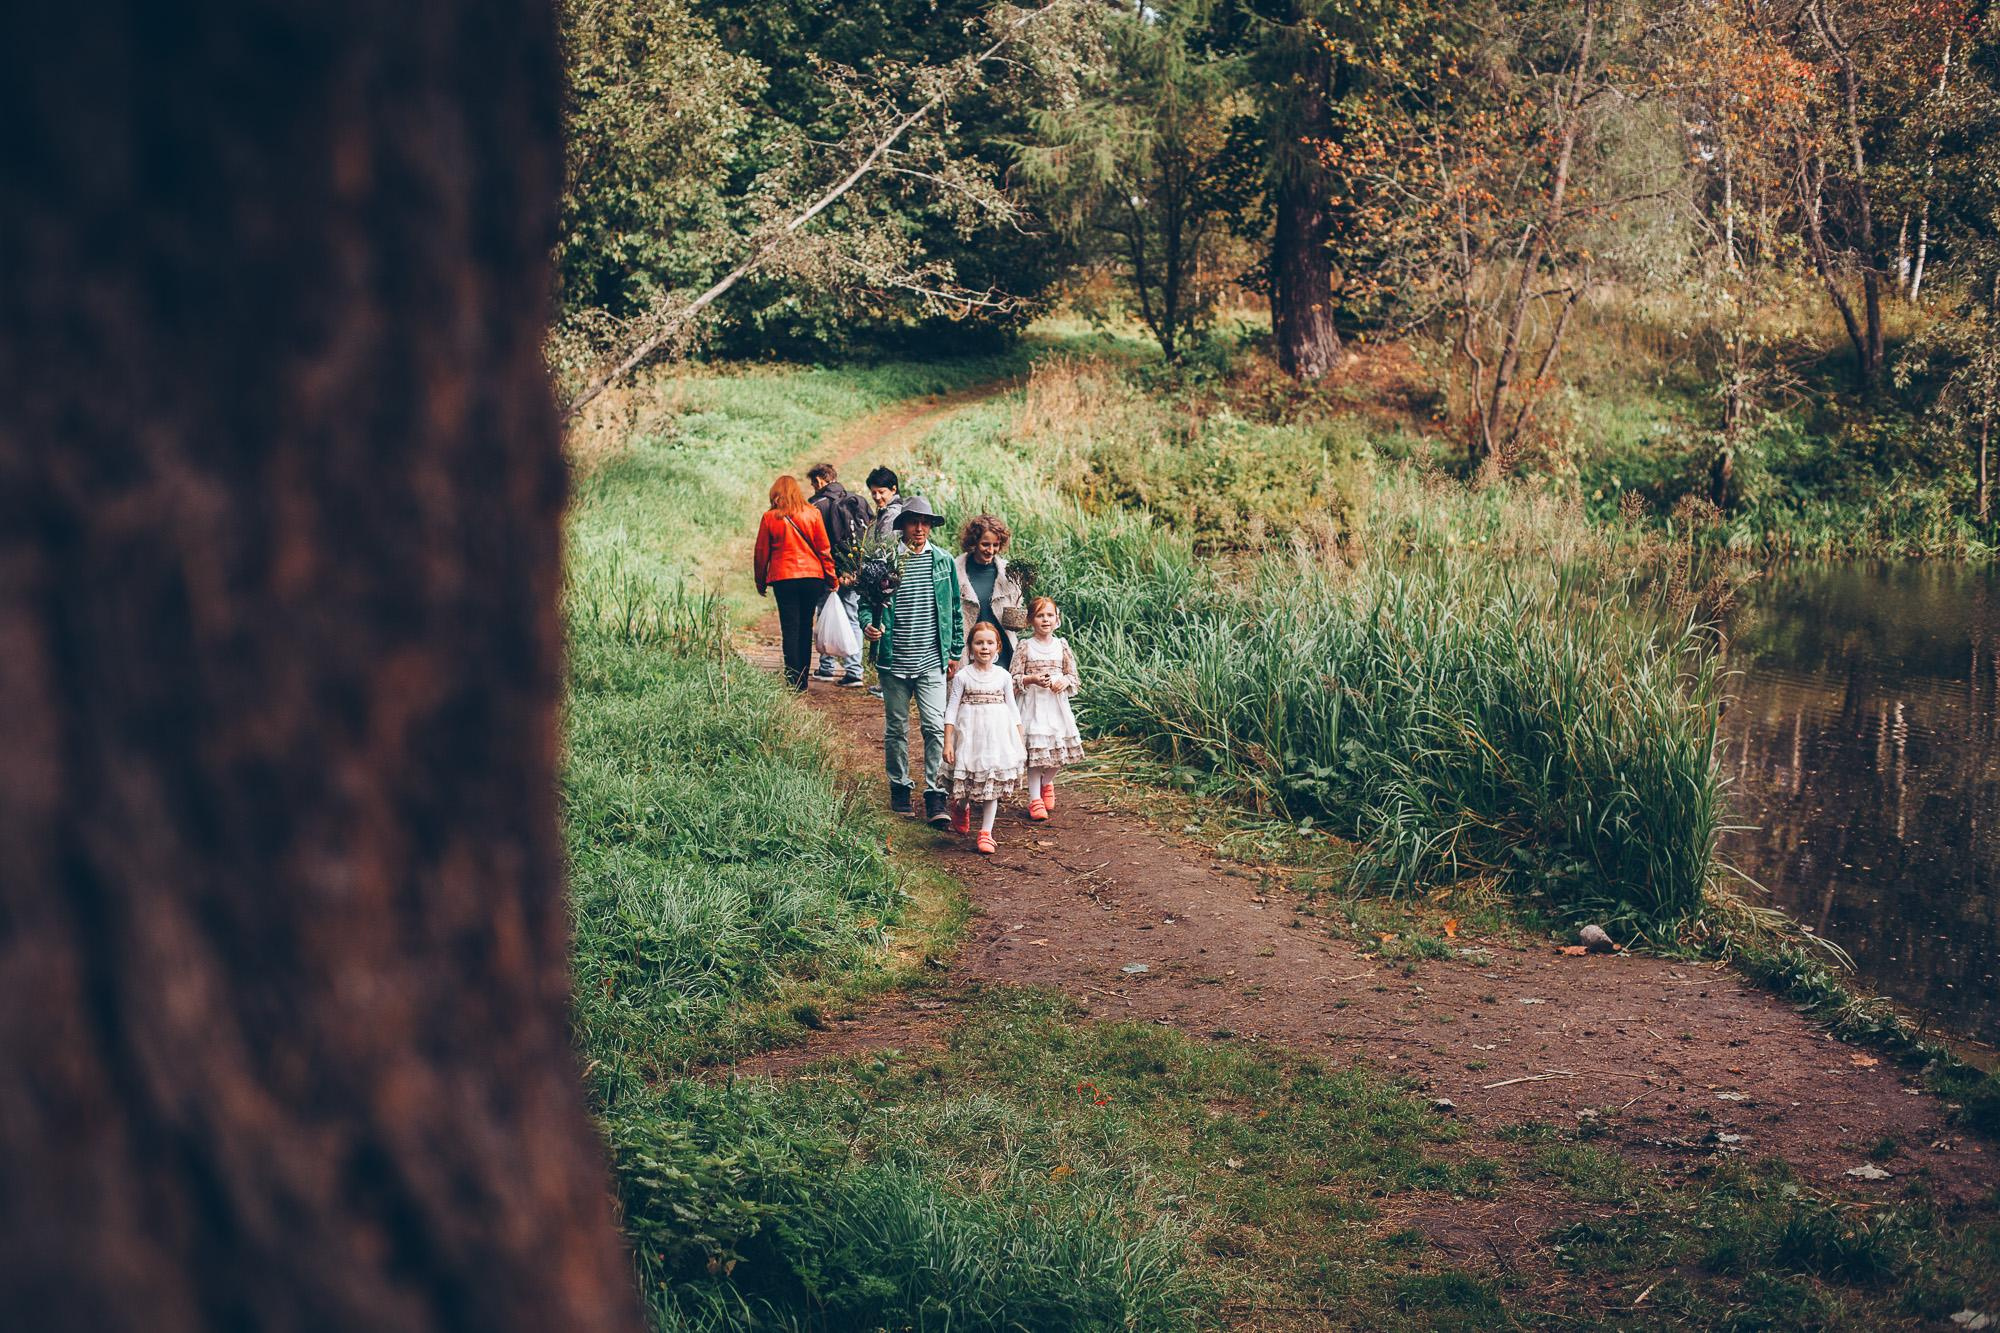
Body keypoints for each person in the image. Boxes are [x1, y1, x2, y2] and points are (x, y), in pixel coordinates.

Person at [858, 495, 962, 825]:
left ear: (930, 526)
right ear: (902, 526)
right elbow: (864, 605)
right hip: (894, 659)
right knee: (896, 729)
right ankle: (900, 787)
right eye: (913, 522)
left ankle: (935, 794)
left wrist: (955, 652)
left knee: (935, 727)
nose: (920, 528)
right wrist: (869, 626)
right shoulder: (886, 561)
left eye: (925, 522)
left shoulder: (943, 562)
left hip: (932, 659)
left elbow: (954, 611)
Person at [943, 622, 1027, 855]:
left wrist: (1019, 739)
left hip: (996, 736)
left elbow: (1013, 709)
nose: (984, 647)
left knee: (991, 783)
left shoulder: (1003, 676)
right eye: (979, 643)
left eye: (990, 643)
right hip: (970, 735)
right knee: (969, 782)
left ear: (998, 646)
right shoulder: (962, 676)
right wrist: (948, 742)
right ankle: (961, 807)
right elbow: (951, 710)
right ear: (970, 647)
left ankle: (986, 832)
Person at [752, 474, 835, 692]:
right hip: (812, 578)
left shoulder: (770, 518)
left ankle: (792, 680)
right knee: (805, 627)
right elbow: (824, 549)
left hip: (784, 579)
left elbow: (761, 553)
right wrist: (831, 577)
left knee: (789, 628)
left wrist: (760, 581)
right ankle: (803, 680)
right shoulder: (812, 513)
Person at [1013, 596, 1083, 821]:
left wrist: (1065, 681)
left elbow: (1073, 676)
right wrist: (1031, 679)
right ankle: (1035, 799)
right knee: (1035, 756)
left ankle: (1047, 782)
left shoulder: (1061, 645)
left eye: (1050, 615)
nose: (1045, 620)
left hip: (1056, 705)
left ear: (1057, 619)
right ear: (1031, 620)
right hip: (1033, 706)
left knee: (1060, 754)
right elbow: (1013, 677)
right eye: (1040, 616)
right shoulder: (1025, 646)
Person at [807, 461, 873, 688]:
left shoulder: (816, 504)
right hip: (854, 569)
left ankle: (826, 667)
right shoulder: (856, 501)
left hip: (828, 572)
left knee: (826, 614)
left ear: (819, 481)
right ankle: (854, 670)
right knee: (852, 616)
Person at [954, 512, 1024, 671]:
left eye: (996, 545)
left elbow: (1017, 608)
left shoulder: (1009, 572)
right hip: (967, 655)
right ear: (974, 542)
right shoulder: (955, 570)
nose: (991, 550)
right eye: (985, 544)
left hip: (1002, 654)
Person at [865, 465, 905, 545]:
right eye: (873, 493)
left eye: (881, 492)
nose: (877, 497)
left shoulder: (892, 514)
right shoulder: (884, 510)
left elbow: (885, 548)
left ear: (893, 489)